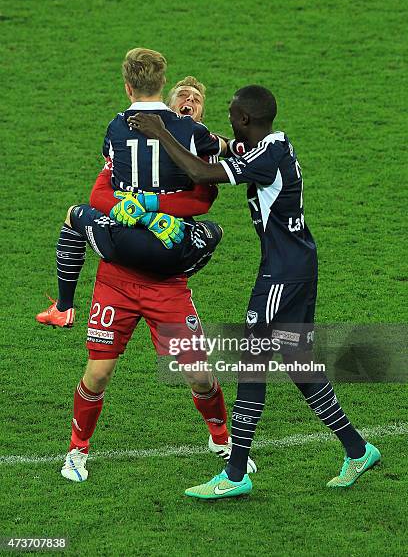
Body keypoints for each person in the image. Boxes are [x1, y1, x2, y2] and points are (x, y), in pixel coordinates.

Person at [130, 84, 381, 498]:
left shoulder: (267, 157)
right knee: (298, 363)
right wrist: (193, 132)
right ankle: (357, 449)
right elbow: (228, 152)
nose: (230, 122)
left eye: (232, 117)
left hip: (282, 273)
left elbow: (201, 173)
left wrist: (162, 133)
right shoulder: (274, 146)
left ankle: (234, 474)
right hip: (296, 265)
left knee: (251, 362)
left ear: (245, 120)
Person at [37, 49, 255, 482]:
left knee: (199, 376)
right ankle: (76, 451)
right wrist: (143, 212)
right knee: (97, 372)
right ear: (163, 83)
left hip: (166, 283)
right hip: (116, 281)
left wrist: (148, 205)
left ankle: (221, 437)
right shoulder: (123, 129)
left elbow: (203, 198)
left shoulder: (183, 135)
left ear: (127, 85)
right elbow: (101, 195)